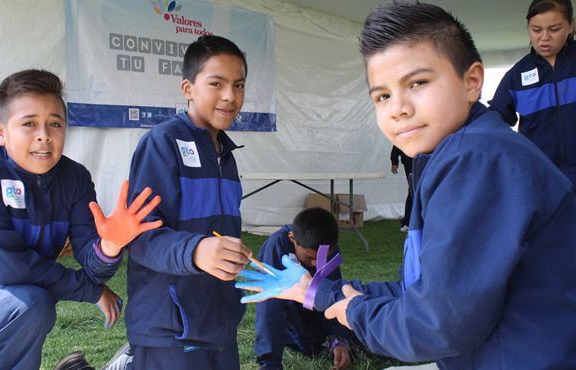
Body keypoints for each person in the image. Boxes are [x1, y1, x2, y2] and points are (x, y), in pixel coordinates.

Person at [236, 2, 576, 368]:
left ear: (472, 81)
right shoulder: (450, 154)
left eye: (417, 83)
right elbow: (422, 294)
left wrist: (353, 310)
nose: (398, 108)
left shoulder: (477, 160)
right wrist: (317, 290)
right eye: (382, 95)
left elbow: (433, 328)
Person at [0, 69, 162, 370]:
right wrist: (91, 291)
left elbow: (92, 263)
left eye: (55, 124)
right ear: (0, 132)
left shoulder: (75, 178)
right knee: (31, 305)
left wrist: (110, 246)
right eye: (29, 124)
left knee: (32, 301)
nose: (44, 136)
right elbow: (11, 268)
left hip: (17, 288)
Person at [116, 35, 253, 370]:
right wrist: (196, 251)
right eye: (216, 83)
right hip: (169, 329)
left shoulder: (226, 154)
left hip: (219, 321)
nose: (229, 96)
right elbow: (142, 239)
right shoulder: (162, 143)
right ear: (188, 88)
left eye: (238, 85)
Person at [489, 0, 576, 188]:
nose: (544, 38)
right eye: (536, 30)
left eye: (554, 29)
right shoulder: (516, 77)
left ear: (571, 25)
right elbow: (493, 124)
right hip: (543, 181)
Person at [254, 207, 353, 370]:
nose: (316, 264)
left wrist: (339, 339)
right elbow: (270, 308)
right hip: (290, 314)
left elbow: (334, 293)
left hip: (315, 309)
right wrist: (269, 363)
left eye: (324, 258)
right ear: (292, 239)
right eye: (309, 257)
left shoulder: (328, 248)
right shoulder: (277, 247)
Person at [390, 145, 412, 232]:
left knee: (419, 190)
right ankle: (406, 223)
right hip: (410, 160)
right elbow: (397, 145)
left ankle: (414, 221)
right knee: (413, 190)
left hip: (423, 159)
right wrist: (394, 161)